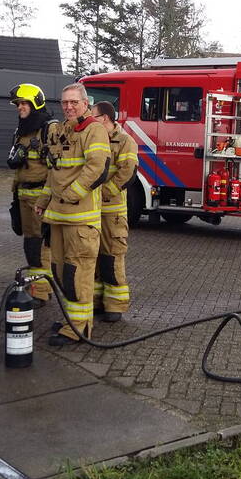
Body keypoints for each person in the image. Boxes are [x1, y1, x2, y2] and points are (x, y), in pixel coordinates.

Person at [35, 83, 110, 345]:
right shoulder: (59, 131)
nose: (68, 106)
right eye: (65, 102)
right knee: (59, 272)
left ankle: (80, 329)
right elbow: (54, 172)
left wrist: (69, 195)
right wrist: (44, 200)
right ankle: (72, 320)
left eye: (73, 102)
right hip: (58, 218)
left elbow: (97, 168)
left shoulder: (95, 130)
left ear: (85, 104)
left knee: (77, 275)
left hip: (80, 220)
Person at [6, 83, 56, 306]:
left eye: (24, 103)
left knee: (40, 246)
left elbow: (57, 167)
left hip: (40, 197)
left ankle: (41, 292)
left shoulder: (48, 129)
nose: (20, 108)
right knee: (30, 244)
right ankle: (39, 287)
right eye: (18, 104)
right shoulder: (21, 130)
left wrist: (47, 198)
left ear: (36, 103)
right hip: (23, 196)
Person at [90, 101, 139, 322]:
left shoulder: (125, 141)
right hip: (93, 210)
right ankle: (97, 301)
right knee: (94, 258)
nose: (91, 120)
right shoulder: (94, 138)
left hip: (112, 211)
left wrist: (104, 193)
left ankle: (115, 306)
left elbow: (127, 172)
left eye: (94, 116)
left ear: (106, 118)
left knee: (111, 258)